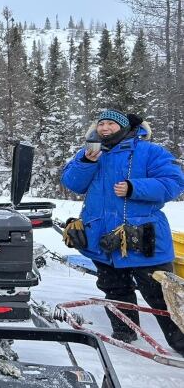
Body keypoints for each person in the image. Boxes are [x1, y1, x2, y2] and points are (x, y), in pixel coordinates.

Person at [61, 109, 184, 356]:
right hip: (102, 238)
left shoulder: (150, 151)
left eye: (111, 124)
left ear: (125, 127)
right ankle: (125, 333)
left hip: (143, 237)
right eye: (101, 124)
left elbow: (174, 182)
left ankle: (180, 343)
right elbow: (72, 183)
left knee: (160, 294)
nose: (105, 128)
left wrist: (135, 187)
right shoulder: (90, 152)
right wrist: (86, 162)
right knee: (114, 289)